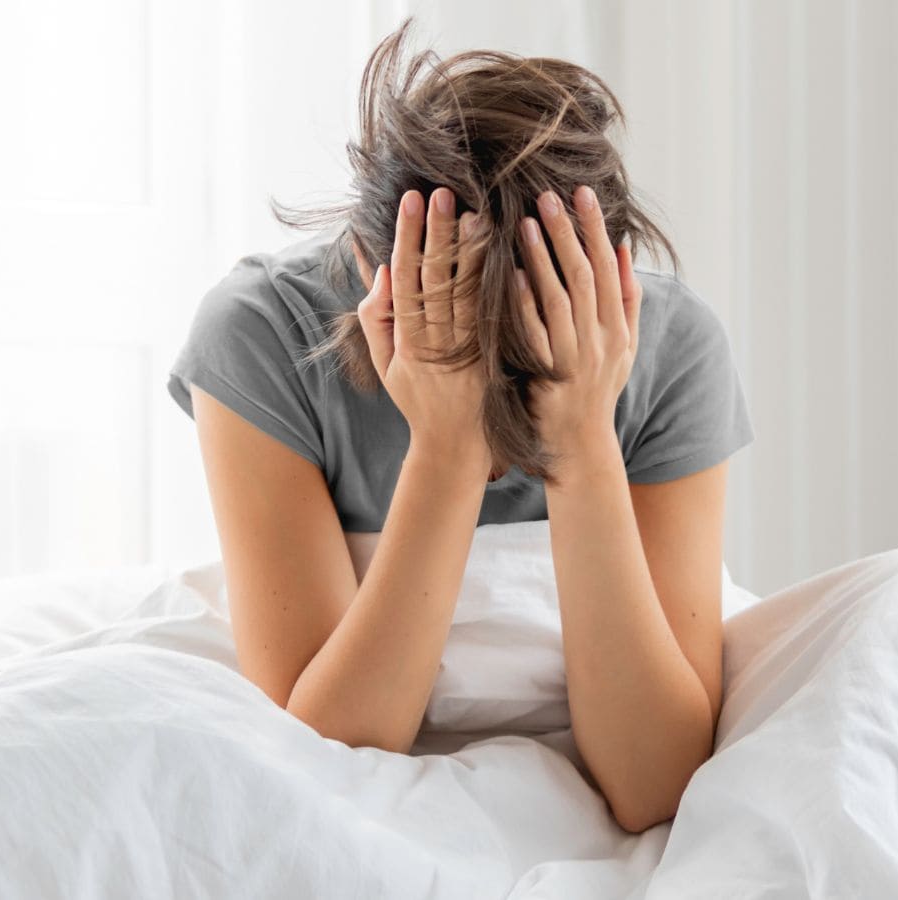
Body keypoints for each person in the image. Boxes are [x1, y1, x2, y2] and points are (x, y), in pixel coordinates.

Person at [165, 19, 754, 834]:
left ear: (605, 281)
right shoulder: (264, 333)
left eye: (525, 348)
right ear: (377, 276)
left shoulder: (671, 345)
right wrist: (444, 449)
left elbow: (656, 787)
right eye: (451, 328)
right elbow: (322, 752)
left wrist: (583, 442)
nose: (495, 396)